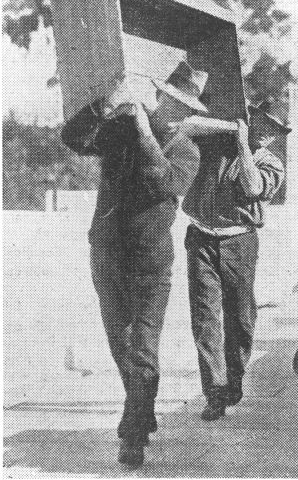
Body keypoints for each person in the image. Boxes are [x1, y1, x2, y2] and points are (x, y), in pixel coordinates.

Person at [61, 61, 207, 467]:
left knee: (143, 346)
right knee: (119, 343)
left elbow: (162, 183)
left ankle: (134, 433)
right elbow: (72, 139)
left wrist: (143, 131)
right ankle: (141, 407)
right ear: (160, 95)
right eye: (172, 101)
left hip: (150, 263)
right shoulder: (122, 127)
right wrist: (101, 105)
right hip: (107, 253)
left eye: (186, 108)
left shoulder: (186, 151)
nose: (176, 112)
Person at [182, 101, 291, 421]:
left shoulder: (270, 161)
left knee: (241, 318)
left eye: (275, 132)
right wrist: (230, 129)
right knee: (205, 319)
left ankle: (234, 378)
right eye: (264, 125)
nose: (268, 135)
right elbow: (185, 125)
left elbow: (253, 186)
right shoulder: (216, 141)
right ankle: (214, 392)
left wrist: (243, 143)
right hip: (201, 237)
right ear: (250, 119)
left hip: (239, 241)